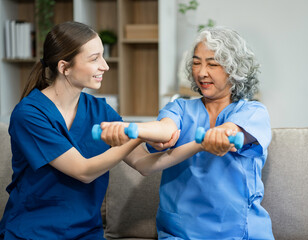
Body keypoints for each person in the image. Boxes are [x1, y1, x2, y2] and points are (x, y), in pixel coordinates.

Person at [0, 21, 202, 239]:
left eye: (103, 56)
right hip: (32, 232)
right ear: (64, 67)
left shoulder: (99, 110)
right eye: (94, 58)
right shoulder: (29, 114)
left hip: (86, 233)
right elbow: (83, 171)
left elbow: (144, 164)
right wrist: (136, 135)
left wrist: (200, 145)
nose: (105, 66)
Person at [101, 26, 274, 239]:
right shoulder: (181, 108)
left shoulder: (252, 111)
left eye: (212, 64)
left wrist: (221, 134)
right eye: (196, 63)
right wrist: (131, 129)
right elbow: (165, 128)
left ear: (233, 68)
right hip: (181, 232)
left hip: (240, 231)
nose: (201, 72)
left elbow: (232, 130)